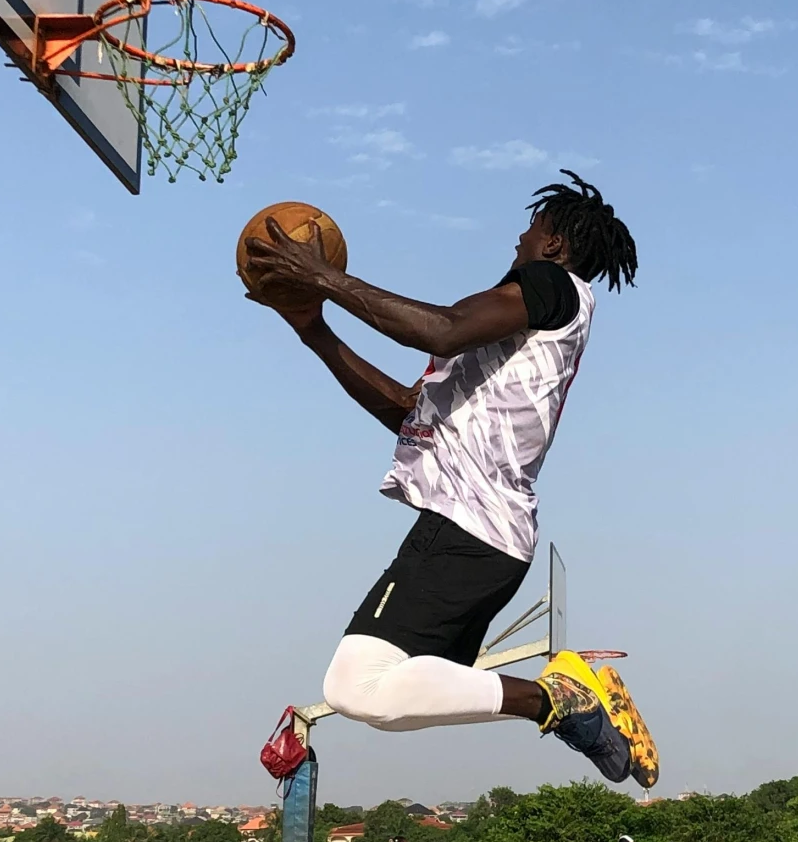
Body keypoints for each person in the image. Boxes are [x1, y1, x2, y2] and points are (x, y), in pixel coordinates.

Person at [244, 174, 657, 788]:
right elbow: (406, 412)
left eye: (532, 229)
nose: (519, 238)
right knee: (387, 694)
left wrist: (323, 277)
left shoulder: (551, 285)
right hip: (479, 536)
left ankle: (556, 699)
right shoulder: (513, 343)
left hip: (470, 530)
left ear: (557, 247)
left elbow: (438, 327)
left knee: (355, 686)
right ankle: (557, 704)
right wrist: (314, 329)